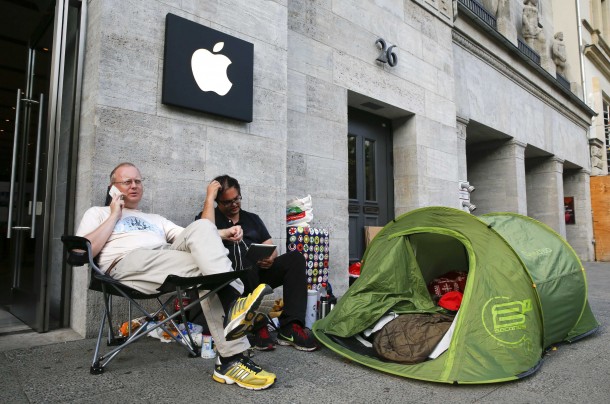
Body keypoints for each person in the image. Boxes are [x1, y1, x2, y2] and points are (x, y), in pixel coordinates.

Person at [76, 162, 277, 390]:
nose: (134, 186)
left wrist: (223, 232)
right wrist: (114, 214)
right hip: (127, 263)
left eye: (138, 181)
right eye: (127, 182)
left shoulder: (155, 219)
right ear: (112, 187)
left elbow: (196, 235)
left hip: (165, 259)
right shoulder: (98, 213)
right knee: (207, 269)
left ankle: (231, 357)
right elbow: (82, 252)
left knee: (202, 227)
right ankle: (234, 321)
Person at [197, 175, 318, 352]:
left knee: (295, 259)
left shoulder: (252, 219)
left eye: (237, 199)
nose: (234, 204)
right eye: (227, 202)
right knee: (245, 260)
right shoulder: (208, 218)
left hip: (257, 275)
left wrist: (270, 257)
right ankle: (258, 326)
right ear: (217, 202)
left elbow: (270, 246)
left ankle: (290, 327)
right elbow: (203, 235)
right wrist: (209, 197)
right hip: (228, 281)